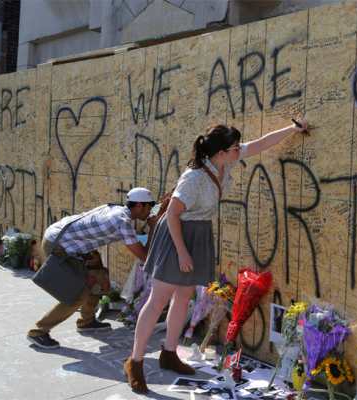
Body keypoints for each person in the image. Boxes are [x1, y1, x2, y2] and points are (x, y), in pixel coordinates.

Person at [124, 118, 309, 394]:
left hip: (198, 232)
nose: (240, 150)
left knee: (184, 296)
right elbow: (173, 214)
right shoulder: (195, 177)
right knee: (158, 299)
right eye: (235, 147)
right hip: (177, 233)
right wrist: (182, 251)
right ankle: (135, 363)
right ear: (220, 152)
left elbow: (260, 144)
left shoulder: (226, 161)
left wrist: (293, 129)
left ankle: (169, 353)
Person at [27, 188, 156, 349]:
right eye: (149, 206)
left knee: (100, 278)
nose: (150, 210)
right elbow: (144, 256)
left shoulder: (117, 209)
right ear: (138, 205)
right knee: (77, 296)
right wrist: (153, 228)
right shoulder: (122, 222)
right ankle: (38, 331)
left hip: (70, 241)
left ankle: (86, 321)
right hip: (60, 244)